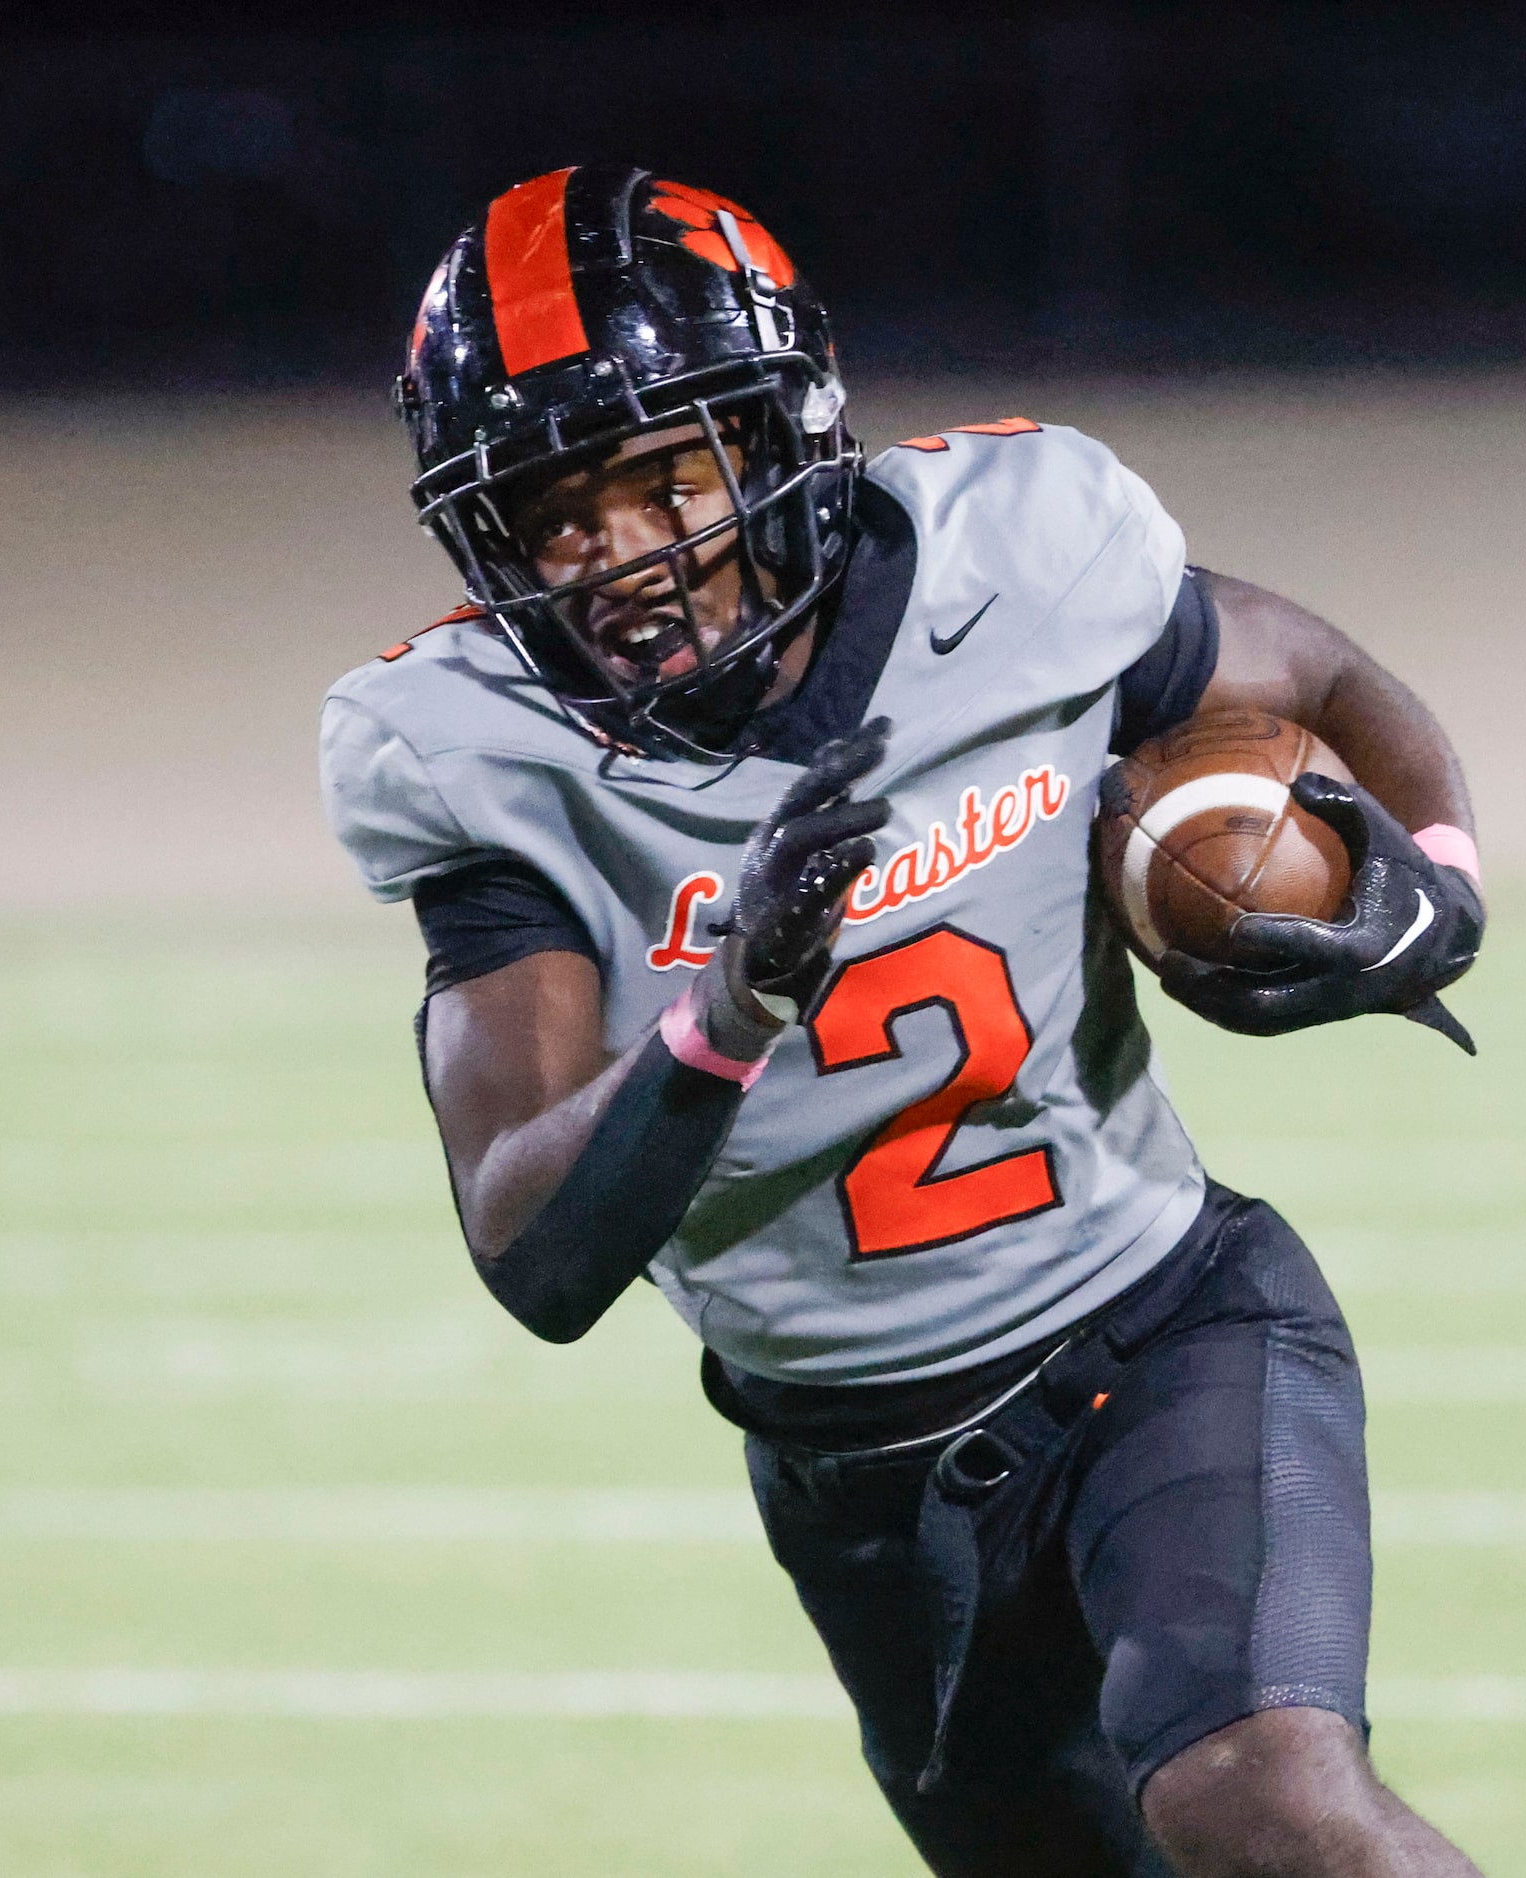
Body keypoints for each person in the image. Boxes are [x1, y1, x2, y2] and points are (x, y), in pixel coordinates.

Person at [321, 166, 1485, 1878]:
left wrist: (1441, 886)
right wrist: (730, 1008)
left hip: (1160, 1329)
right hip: (858, 1486)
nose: (620, 556)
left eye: (663, 475)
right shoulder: (480, 752)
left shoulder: (1017, 556)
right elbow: (532, 1246)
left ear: (782, 433)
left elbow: (1312, 674)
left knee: (1261, 1801)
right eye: (555, 512)